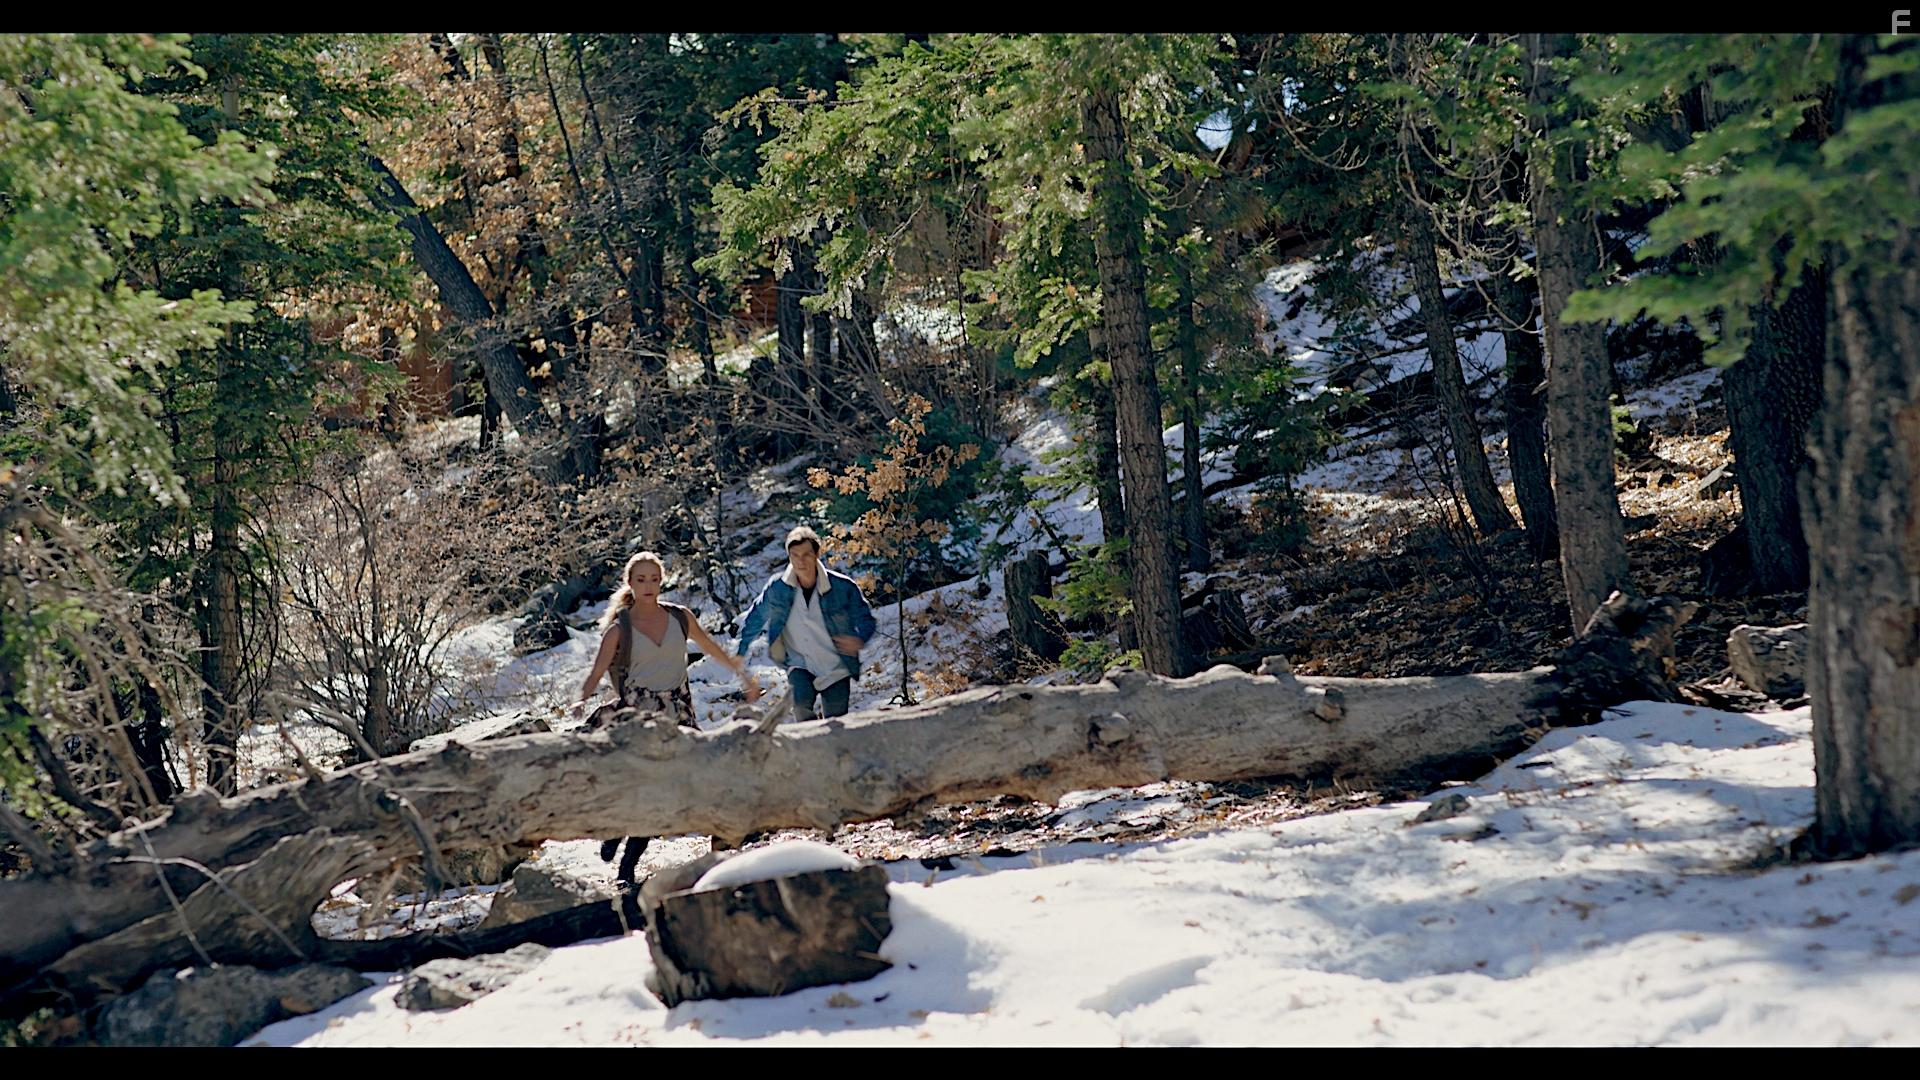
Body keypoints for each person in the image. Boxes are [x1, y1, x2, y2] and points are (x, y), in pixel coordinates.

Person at [572, 551, 759, 882]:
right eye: (641, 580)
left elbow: (712, 647)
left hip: (678, 715)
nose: (649, 586)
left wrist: (742, 675)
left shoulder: (680, 617)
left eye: (654, 579)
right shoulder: (620, 629)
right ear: (629, 583)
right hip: (638, 719)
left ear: (662, 581)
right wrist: (580, 701)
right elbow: (596, 671)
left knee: (672, 785)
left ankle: (632, 857)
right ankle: (619, 842)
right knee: (641, 785)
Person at [734, 525, 877, 721]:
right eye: (795, 555)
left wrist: (859, 640)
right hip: (799, 663)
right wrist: (741, 651)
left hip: (835, 665)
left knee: (836, 722)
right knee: (801, 709)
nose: (801, 561)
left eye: (806, 554)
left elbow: (866, 618)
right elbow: (755, 618)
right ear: (789, 557)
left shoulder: (842, 587)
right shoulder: (778, 589)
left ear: (817, 554)